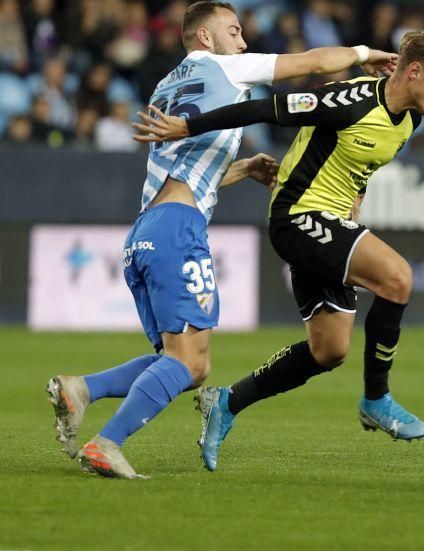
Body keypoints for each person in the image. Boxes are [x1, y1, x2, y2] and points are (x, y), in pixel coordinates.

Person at [46, 1, 398, 479]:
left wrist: (244, 168)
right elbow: (312, 63)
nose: (243, 42)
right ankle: (107, 443)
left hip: (146, 230)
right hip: (177, 232)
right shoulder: (224, 66)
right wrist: (362, 53)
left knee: (182, 363)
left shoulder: (166, 86)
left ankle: (82, 389)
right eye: (234, 32)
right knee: (190, 365)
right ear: (206, 39)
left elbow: (183, 175)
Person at [133, 29, 424, 471]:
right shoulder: (348, 100)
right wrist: (186, 126)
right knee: (398, 277)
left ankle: (227, 402)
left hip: (332, 221)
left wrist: (354, 201)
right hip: (297, 217)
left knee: (330, 350)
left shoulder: (408, 120)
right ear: (415, 71)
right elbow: (265, 107)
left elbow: (357, 162)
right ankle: (377, 399)